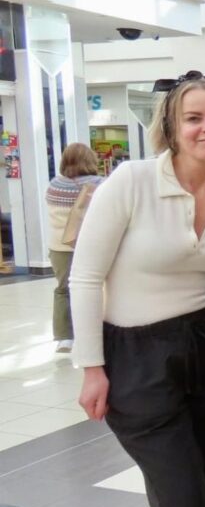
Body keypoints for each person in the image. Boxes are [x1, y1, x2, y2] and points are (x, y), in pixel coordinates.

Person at [71, 70, 205, 507]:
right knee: (183, 505)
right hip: (138, 360)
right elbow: (85, 277)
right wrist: (92, 368)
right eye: (193, 119)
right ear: (171, 128)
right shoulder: (131, 181)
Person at [45, 143, 103, 354]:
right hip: (92, 245)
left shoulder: (54, 185)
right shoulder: (99, 185)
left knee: (63, 290)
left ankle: (64, 338)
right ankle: (96, 333)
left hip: (59, 248)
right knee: (96, 288)